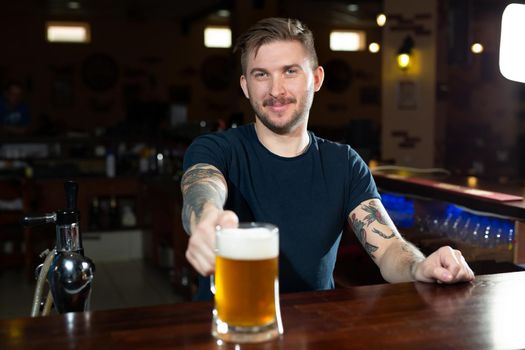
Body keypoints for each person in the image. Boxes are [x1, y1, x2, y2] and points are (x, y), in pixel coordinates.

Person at [181, 17, 474, 300]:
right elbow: (203, 190)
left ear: (317, 78)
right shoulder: (216, 149)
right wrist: (207, 220)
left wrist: (419, 266)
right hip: (228, 321)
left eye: (290, 71)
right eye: (262, 74)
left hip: (314, 331)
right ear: (245, 86)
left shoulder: (344, 164)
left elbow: (388, 249)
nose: (276, 90)